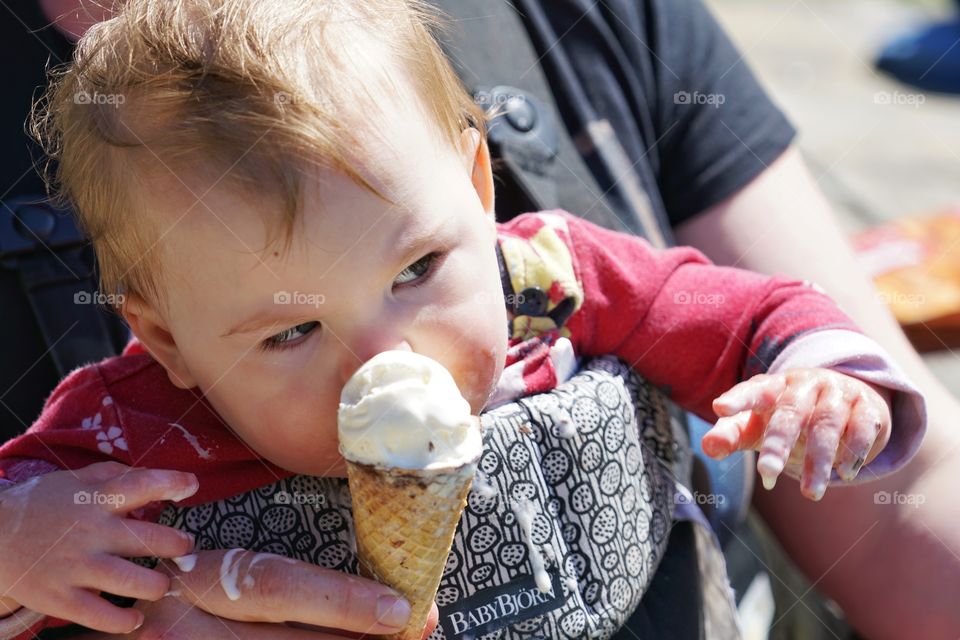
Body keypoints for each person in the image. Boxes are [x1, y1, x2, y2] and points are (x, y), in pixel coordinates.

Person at [0, 0, 927, 638]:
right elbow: (25, 507)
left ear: (478, 187)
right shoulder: (128, 431)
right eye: (290, 332)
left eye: (417, 269)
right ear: (167, 339)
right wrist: (26, 541)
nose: (384, 357)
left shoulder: (550, 276)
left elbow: (732, 312)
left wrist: (812, 378)